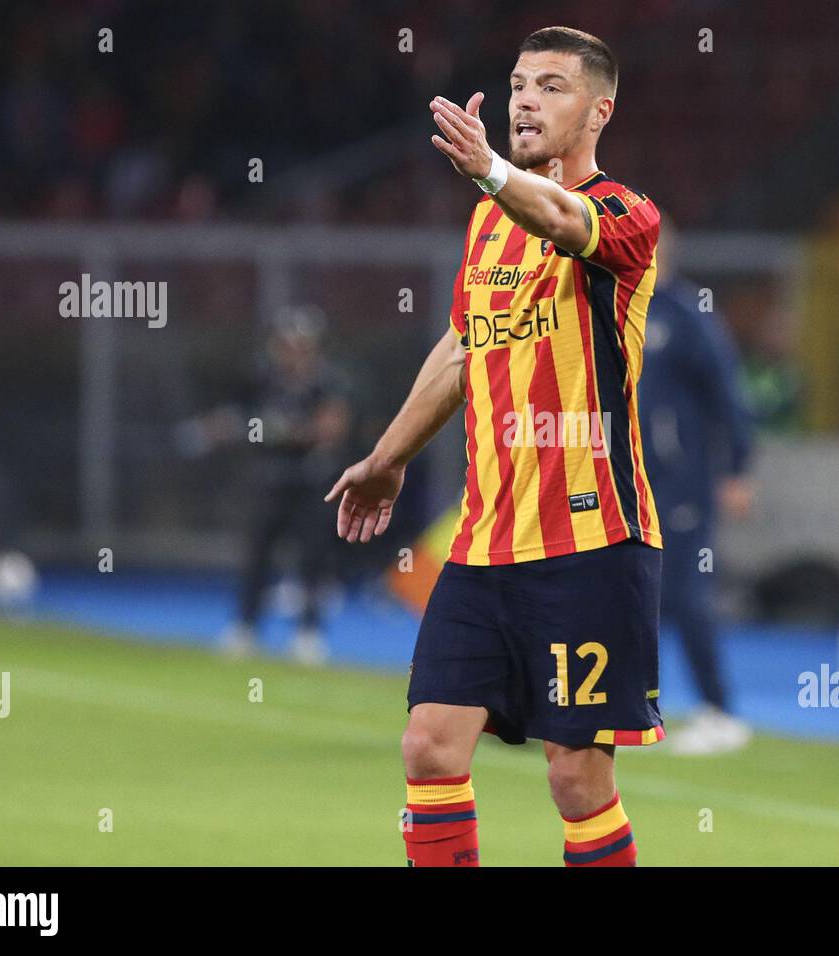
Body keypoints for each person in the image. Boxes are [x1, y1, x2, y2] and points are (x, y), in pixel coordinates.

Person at [326, 27, 662, 866]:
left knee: (576, 778)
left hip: (590, 541)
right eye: (518, 82)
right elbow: (460, 346)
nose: (524, 99)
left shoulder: (627, 217)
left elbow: (555, 211)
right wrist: (388, 455)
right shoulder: (487, 226)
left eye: (551, 85)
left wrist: (486, 169)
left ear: (599, 110)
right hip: (483, 544)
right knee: (429, 747)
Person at [637, 216, 755, 754]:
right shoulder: (617, 308)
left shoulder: (687, 314)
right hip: (626, 479)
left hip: (680, 481)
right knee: (624, 594)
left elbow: (728, 395)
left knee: (685, 592)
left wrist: (736, 468)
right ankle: (623, 707)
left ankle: (720, 711)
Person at [184, 306, 354, 664]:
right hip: (270, 480)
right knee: (257, 555)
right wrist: (223, 428)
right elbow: (234, 418)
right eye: (286, 343)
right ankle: (245, 627)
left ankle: (308, 633)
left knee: (312, 559)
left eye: (299, 344)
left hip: (311, 481)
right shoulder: (261, 378)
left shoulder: (329, 381)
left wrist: (286, 432)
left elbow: (331, 429)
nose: (291, 351)